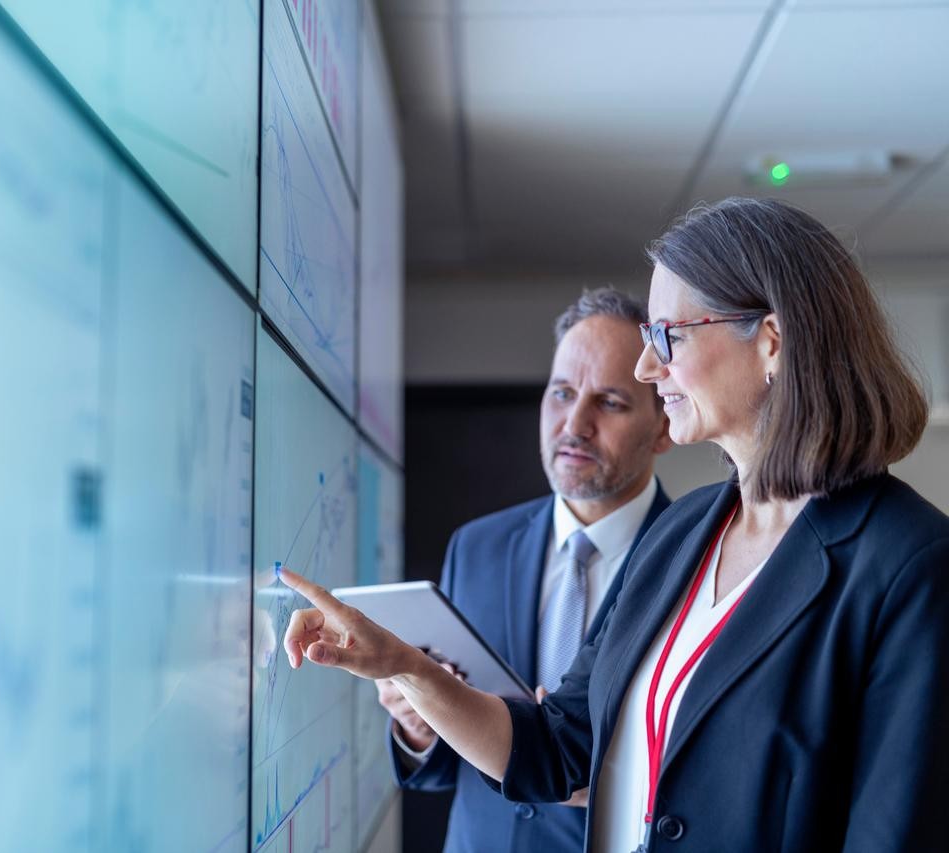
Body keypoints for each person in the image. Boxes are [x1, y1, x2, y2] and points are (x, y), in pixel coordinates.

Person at [281, 197, 949, 852]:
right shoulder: (683, 535)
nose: (645, 366)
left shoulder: (908, 564)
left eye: (668, 335)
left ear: (771, 341)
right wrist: (400, 662)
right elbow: (561, 747)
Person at [381, 288, 672, 853]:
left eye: (610, 402)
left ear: (663, 425)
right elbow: (448, 768)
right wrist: (419, 725)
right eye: (562, 393)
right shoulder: (478, 547)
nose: (575, 424)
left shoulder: (697, 558)